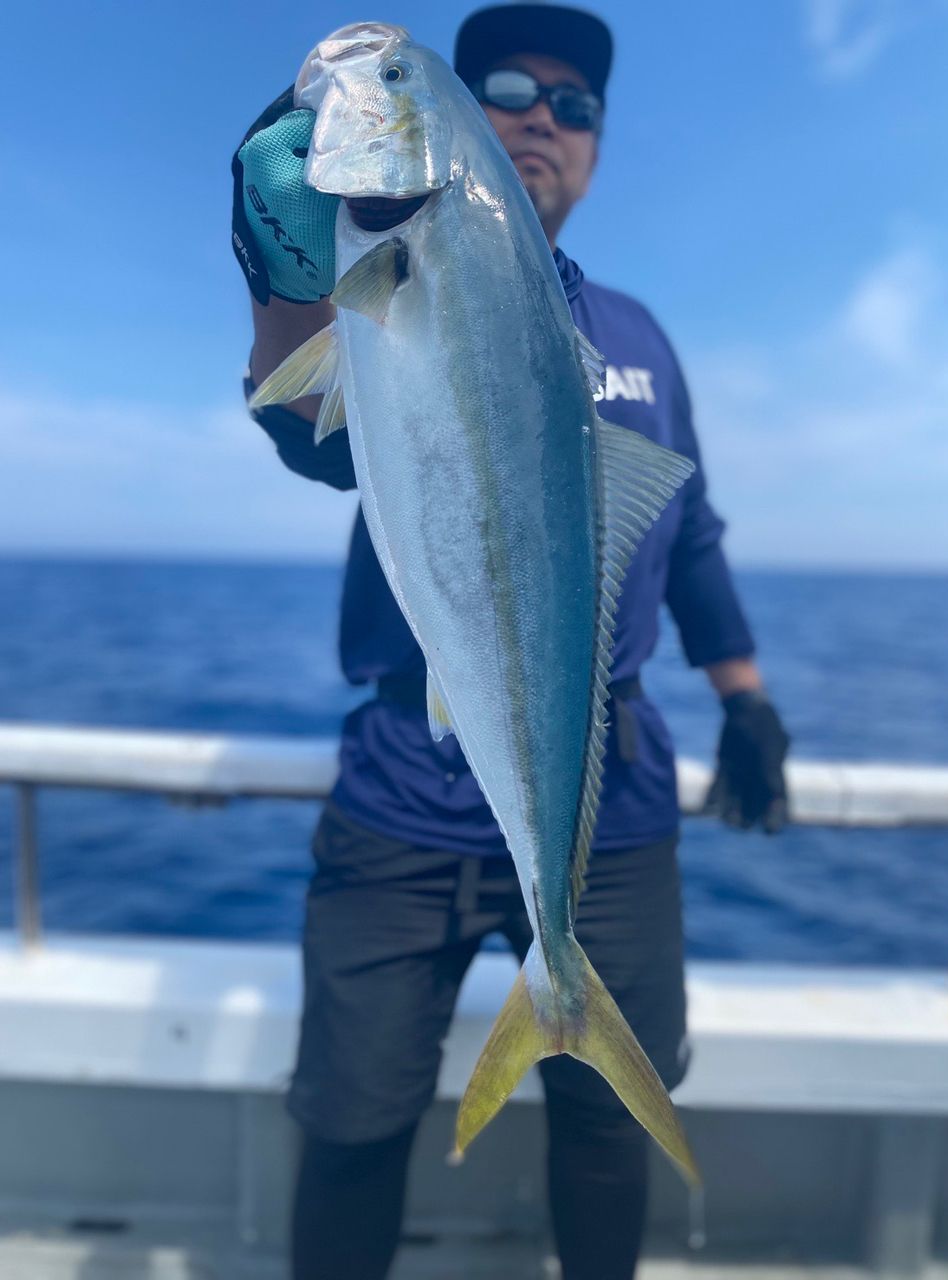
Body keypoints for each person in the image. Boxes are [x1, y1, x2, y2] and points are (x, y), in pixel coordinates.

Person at [231, 6, 790, 1278]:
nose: (542, 116)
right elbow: (305, 426)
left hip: (613, 796)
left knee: (605, 1129)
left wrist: (745, 693)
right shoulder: (376, 284)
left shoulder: (642, 342)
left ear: (597, 144)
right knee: (354, 1118)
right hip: (404, 794)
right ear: (468, 126)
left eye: (575, 104)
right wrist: (279, 272)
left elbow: (689, 534)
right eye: (506, 90)